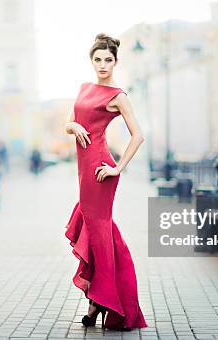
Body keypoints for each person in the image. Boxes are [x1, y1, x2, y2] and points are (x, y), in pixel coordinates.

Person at [64, 33, 147, 330]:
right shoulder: (85, 88)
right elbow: (70, 121)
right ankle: (99, 299)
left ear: (115, 62)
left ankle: (97, 302)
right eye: (97, 59)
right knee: (101, 237)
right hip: (84, 173)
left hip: (100, 172)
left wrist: (117, 169)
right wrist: (73, 125)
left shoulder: (118, 95)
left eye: (108, 60)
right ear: (92, 61)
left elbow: (138, 135)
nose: (102, 65)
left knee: (100, 238)